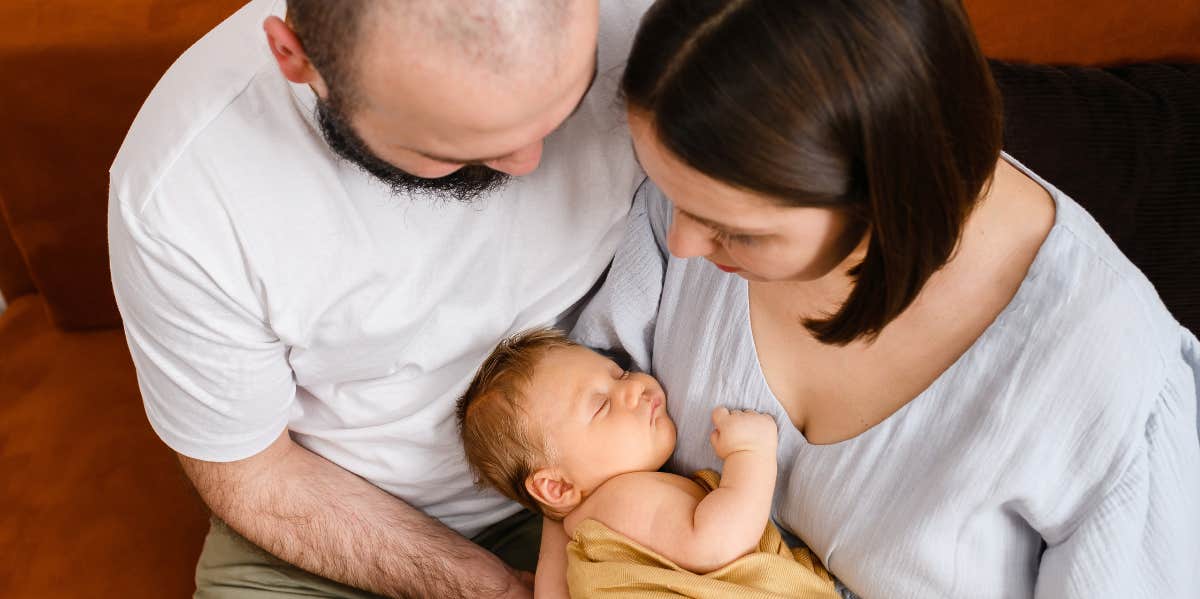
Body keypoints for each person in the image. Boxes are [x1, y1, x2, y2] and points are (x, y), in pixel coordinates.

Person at [569, 1, 1200, 597]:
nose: (679, 243)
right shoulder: (707, 178)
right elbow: (561, 468)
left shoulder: (1107, 383)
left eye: (738, 231)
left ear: (884, 202)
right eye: (670, 192)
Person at [108, 0, 650, 597]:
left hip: (610, 473)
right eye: (456, 147)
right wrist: (482, 587)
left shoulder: (655, 22)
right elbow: (255, 475)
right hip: (335, 516)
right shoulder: (184, 193)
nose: (530, 162)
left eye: (563, 106)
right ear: (297, 59)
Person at [456, 328, 839, 599]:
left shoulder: (576, 535)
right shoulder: (622, 499)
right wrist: (751, 456)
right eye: (602, 405)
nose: (634, 387)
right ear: (555, 487)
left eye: (620, 372)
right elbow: (716, 543)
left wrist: (556, 514)